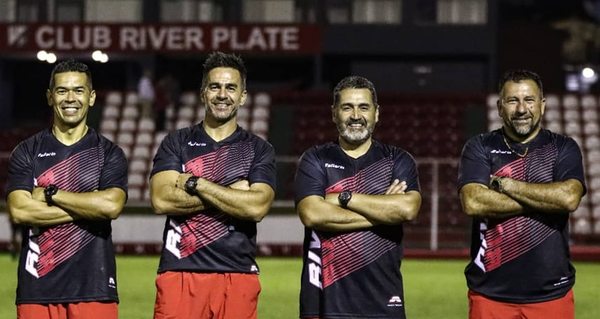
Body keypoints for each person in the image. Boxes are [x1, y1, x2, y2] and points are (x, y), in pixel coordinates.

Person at [150, 51, 276, 319]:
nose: (222, 94)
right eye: (215, 86)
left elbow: (256, 207)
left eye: (231, 88)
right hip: (180, 273)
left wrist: (195, 184)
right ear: (203, 92)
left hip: (238, 275)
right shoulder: (176, 142)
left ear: (242, 96)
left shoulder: (259, 149)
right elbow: (162, 200)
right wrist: (232, 194)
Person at [458, 69, 586, 319]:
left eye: (529, 100)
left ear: (542, 105)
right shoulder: (480, 146)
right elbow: (473, 202)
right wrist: (547, 199)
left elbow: (569, 198)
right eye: (512, 100)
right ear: (499, 106)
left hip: (551, 293)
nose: (521, 109)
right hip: (489, 292)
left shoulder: (563, 147)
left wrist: (505, 184)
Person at [6, 59, 128, 319]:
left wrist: (52, 195)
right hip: (37, 290)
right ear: (50, 97)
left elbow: (111, 206)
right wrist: (90, 205)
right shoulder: (27, 151)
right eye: (62, 91)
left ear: (92, 97)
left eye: (78, 91)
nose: (70, 98)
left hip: (94, 290)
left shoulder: (109, 153)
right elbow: (19, 211)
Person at [295, 75, 422, 318]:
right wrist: (383, 211)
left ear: (376, 113)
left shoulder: (397, 160)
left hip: (384, 300)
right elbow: (312, 214)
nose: (356, 115)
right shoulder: (315, 159)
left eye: (364, 107)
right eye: (347, 107)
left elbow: (407, 209)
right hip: (323, 300)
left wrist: (343, 197)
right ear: (334, 113)